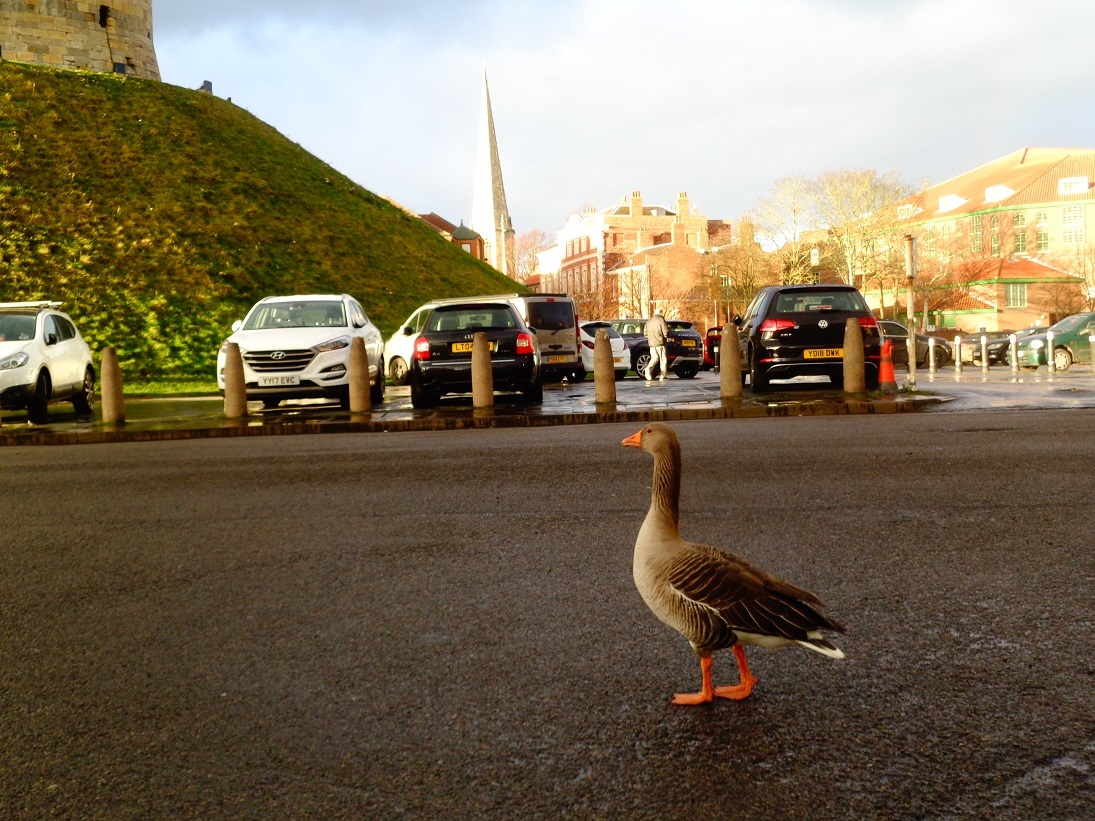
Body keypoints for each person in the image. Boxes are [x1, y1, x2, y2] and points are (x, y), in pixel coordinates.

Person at [644, 309, 669, 381]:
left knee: (654, 358)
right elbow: (666, 332)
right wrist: (665, 337)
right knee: (663, 359)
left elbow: (645, 333)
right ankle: (662, 376)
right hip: (660, 343)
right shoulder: (661, 320)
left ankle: (648, 368)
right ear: (660, 313)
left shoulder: (649, 321)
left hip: (651, 344)